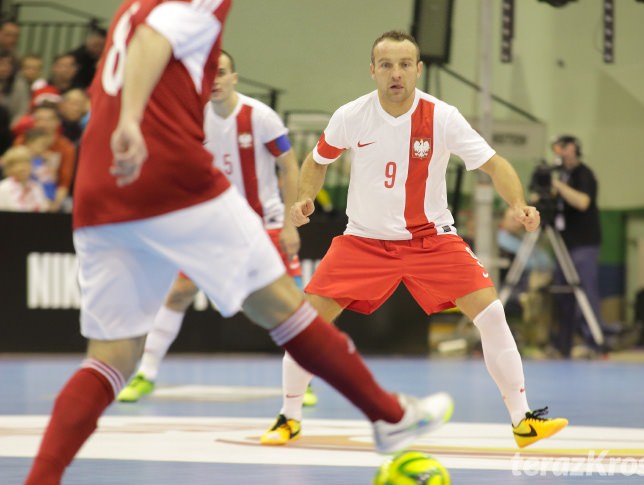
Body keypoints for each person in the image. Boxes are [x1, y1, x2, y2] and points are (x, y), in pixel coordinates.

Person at [24, 4, 452, 484]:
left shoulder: (130, 6)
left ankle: (39, 479)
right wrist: (130, 121)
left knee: (110, 358)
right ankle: (390, 418)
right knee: (286, 308)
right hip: (165, 172)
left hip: (99, 188)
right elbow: (152, 40)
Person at [260, 30, 568, 449]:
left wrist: (518, 204)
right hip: (363, 241)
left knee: (492, 314)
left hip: (431, 240)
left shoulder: (442, 116)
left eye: (405, 64)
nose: (396, 73)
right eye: (386, 65)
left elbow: (495, 166)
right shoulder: (352, 115)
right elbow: (317, 161)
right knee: (305, 325)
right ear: (372, 71)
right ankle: (288, 417)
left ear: (418, 70)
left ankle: (523, 420)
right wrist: (304, 199)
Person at [117, 50, 315, 407]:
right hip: (213, 226)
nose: (216, 80)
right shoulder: (194, 117)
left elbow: (289, 166)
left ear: (234, 78)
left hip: (264, 223)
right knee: (178, 292)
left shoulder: (261, 117)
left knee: (289, 303)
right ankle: (146, 374)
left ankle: (302, 379)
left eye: (221, 73)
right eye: (210, 74)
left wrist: (289, 224)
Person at [546, 135, 605, 359]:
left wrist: (558, 186)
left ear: (572, 149)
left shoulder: (584, 174)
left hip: (584, 244)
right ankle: (563, 344)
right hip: (564, 244)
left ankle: (594, 341)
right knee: (563, 294)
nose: (559, 153)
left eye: (562, 148)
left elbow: (583, 202)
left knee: (585, 292)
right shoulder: (562, 175)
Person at [14, 103, 76, 212]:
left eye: (48, 119)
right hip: (22, 194)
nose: (43, 124)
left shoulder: (66, 147)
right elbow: (13, 173)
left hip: (53, 197)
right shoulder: (22, 141)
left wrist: (52, 206)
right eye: (39, 119)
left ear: (57, 122)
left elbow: (64, 183)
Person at [0, 145, 49, 212]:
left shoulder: (36, 187)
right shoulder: (3, 188)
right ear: (9, 168)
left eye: (26, 162)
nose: (23, 167)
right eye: (17, 164)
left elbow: (44, 211)